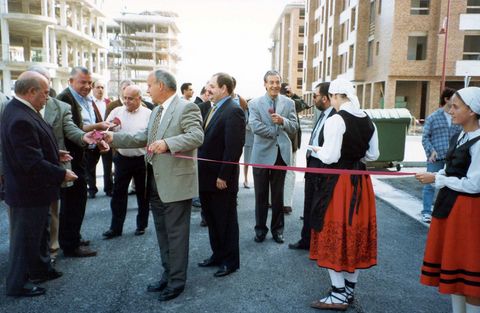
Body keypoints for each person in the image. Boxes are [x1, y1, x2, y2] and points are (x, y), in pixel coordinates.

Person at [105, 69, 203, 301]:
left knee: (176, 234)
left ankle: (177, 282)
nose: (147, 90)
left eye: (149, 85)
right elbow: (143, 137)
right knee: (162, 232)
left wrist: (168, 143)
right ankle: (168, 274)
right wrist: (113, 138)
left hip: (176, 183)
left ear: (161, 85)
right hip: (155, 181)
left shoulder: (187, 107)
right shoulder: (157, 110)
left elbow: (197, 136)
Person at [2, 71, 77, 297]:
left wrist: (56, 154)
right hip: (28, 191)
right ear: (31, 91)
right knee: (24, 239)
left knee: (39, 233)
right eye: (45, 93)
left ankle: (41, 269)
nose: (48, 97)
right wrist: (61, 174)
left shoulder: (20, 110)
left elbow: (33, 146)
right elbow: (31, 162)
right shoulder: (20, 117)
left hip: (35, 190)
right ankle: (17, 284)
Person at [308, 78, 379, 311]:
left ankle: (338, 294)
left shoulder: (336, 120)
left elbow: (329, 157)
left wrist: (317, 149)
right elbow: (373, 155)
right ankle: (348, 290)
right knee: (353, 234)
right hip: (360, 181)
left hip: (338, 183)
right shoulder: (368, 119)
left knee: (333, 232)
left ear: (337, 96)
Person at [415, 87, 480, 313]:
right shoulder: (461, 135)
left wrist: (438, 178)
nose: (450, 111)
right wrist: (438, 176)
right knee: (455, 275)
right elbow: (451, 170)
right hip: (453, 208)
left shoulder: (479, 143)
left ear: (472, 111)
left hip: (470, 212)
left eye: (455, 106)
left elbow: (474, 184)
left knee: (470, 277)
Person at [57, 67, 112, 257]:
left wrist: (98, 140)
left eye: (89, 82)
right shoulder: (65, 98)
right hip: (70, 157)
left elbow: (83, 130)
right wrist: (97, 129)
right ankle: (71, 244)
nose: (88, 86)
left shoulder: (84, 99)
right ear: (71, 81)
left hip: (82, 155)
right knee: (73, 201)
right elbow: (73, 129)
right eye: (83, 82)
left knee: (78, 200)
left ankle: (74, 237)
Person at [197, 73, 245, 278]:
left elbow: (233, 148)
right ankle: (217, 255)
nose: (208, 90)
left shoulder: (233, 111)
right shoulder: (212, 107)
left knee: (225, 222)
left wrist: (223, 176)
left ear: (224, 88)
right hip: (206, 177)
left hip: (221, 179)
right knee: (212, 219)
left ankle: (230, 261)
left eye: (212, 86)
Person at [248, 70, 298, 244]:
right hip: (261, 155)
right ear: (265, 84)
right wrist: (275, 131)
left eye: (277, 82)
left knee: (278, 196)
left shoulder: (289, 103)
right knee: (261, 196)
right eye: (271, 82)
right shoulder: (254, 103)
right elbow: (254, 126)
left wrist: (283, 121)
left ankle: (278, 231)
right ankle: (260, 229)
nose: (275, 85)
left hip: (280, 155)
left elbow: (294, 127)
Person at [288, 82, 336, 250]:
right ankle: (306, 240)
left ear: (325, 98)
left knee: (318, 205)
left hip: (323, 166)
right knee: (308, 203)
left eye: (315, 96)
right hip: (312, 164)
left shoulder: (335, 117)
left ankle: (316, 243)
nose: (313, 99)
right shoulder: (323, 114)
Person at [102, 85, 151, 239]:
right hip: (122, 159)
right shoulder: (117, 111)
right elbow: (106, 131)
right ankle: (115, 228)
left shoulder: (149, 114)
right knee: (118, 195)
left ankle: (141, 225)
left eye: (131, 98)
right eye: (125, 98)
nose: (126, 101)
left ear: (139, 99)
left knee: (143, 195)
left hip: (142, 160)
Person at [420, 87, 461, 223]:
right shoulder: (433, 117)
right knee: (430, 184)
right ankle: (426, 212)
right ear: (446, 99)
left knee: (449, 185)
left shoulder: (458, 118)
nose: (456, 102)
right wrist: (431, 150)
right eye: (453, 99)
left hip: (452, 158)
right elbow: (425, 137)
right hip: (435, 158)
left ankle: (445, 213)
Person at [280, 82, 310, 214]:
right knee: (289, 172)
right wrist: (293, 95)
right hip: (291, 142)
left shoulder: (278, 102)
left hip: (286, 142)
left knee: (276, 172)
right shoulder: (292, 103)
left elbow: (304, 105)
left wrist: (292, 95)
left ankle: (274, 201)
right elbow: (304, 104)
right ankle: (286, 203)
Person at [89, 80, 113, 197]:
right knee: (91, 165)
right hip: (93, 138)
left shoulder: (109, 103)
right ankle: (92, 189)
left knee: (108, 165)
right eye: (98, 87)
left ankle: (109, 188)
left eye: (102, 87)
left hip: (107, 138)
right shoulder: (89, 103)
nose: (100, 90)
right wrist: (97, 137)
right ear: (92, 89)